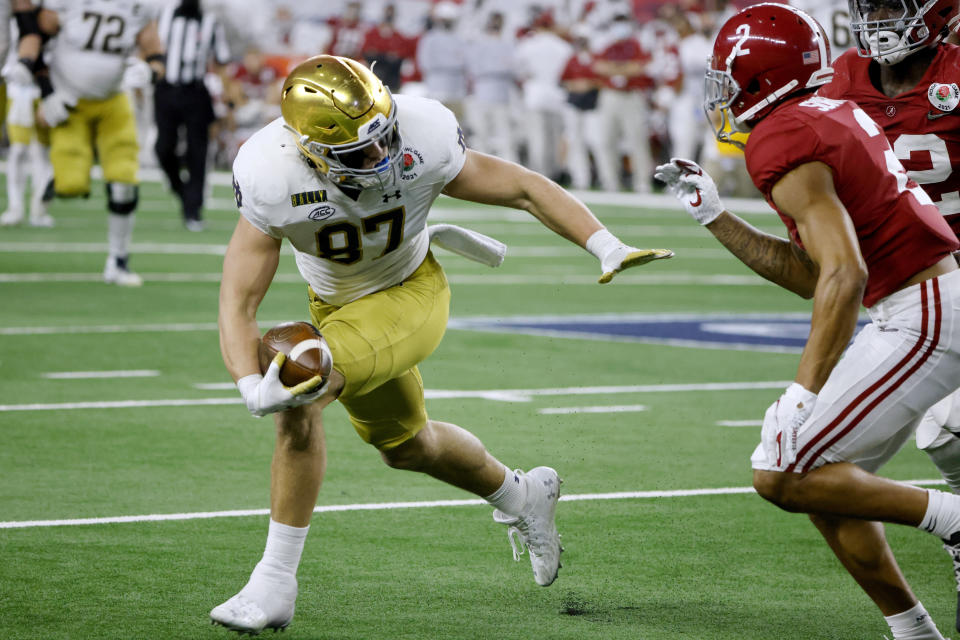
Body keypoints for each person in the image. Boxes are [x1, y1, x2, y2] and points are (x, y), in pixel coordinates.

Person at [210, 54, 673, 635]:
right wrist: (247, 384)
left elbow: (524, 189)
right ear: (311, 150)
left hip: (412, 293)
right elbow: (237, 299)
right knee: (406, 446)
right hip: (336, 306)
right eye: (360, 152)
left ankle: (274, 582)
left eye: (385, 136)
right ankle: (521, 494)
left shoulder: (422, 131)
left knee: (305, 385)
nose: (381, 157)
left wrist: (604, 243)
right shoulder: (270, 174)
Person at [655, 4, 960, 639]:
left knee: (784, 469)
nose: (722, 92)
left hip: (923, 311)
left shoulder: (783, 135)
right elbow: (812, 274)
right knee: (816, 475)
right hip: (916, 303)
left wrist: (803, 392)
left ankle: (953, 519)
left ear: (760, 79)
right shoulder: (823, 113)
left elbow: (844, 275)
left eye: (729, 77)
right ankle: (914, 632)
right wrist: (715, 217)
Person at [816, 0, 960, 628]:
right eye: (867, 5)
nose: (877, 19)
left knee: (948, 433)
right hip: (901, 297)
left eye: (891, 5)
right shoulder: (841, 79)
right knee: (812, 473)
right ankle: (912, 623)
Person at [12, 0, 165, 286]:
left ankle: (118, 261)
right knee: (71, 185)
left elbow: (156, 53)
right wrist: (46, 93)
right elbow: (34, 40)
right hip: (69, 100)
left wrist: (150, 72)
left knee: (124, 180)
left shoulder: (140, 6)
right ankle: (57, 179)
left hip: (114, 100)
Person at [153, 0, 231, 232]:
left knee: (197, 152)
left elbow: (222, 61)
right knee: (163, 148)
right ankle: (183, 191)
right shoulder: (163, 15)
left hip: (196, 92)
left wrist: (226, 98)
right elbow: (148, 48)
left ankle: (193, 209)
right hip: (165, 89)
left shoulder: (210, 22)